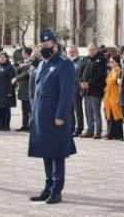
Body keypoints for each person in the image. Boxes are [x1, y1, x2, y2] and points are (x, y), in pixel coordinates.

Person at [28, 29, 77, 205]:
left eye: (46, 45)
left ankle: (57, 190)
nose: (43, 48)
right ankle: (48, 186)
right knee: (45, 152)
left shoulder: (64, 64)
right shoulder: (42, 64)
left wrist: (61, 115)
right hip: (41, 115)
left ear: (55, 46)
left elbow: (66, 93)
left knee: (57, 153)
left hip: (55, 116)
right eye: (41, 46)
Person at [79, 43, 107, 139]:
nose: (91, 51)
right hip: (85, 91)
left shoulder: (101, 60)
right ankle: (90, 130)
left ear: (97, 49)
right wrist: (81, 82)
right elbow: (80, 72)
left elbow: (99, 75)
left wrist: (89, 83)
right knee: (88, 112)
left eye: (93, 49)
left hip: (96, 90)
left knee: (96, 112)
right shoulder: (85, 59)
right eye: (90, 50)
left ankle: (98, 132)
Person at [0, 52, 16, 131]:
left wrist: (10, 91)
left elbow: (12, 81)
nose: (1, 58)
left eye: (3, 57)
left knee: (5, 110)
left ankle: (6, 125)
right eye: (0, 57)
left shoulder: (10, 67)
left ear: (7, 58)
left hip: (6, 92)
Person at [103, 54, 124, 140]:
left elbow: (119, 86)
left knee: (117, 115)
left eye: (112, 62)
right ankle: (111, 133)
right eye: (109, 61)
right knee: (110, 115)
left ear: (117, 63)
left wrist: (119, 97)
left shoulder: (119, 71)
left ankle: (118, 134)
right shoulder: (111, 71)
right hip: (108, 97)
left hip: (115, 96)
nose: (110, 63)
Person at [14, 47, 35, 132]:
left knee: (30, 109)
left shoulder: (32, 62)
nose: (22, 54)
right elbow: (17, 72)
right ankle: (24, 125)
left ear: (26, 53)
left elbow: (28, 74)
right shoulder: (22, 62)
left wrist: (17, 78)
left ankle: (31, 126)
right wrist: (18, 68)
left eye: (23, 52)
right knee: (24, 110)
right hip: (22, 88)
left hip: (28, 88)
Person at [67, 45, 84, 137]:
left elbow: (81, 76)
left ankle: (79, 129)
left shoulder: (80, 61)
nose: (71, 54)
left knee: (78, 110)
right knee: (69, 111)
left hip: (76, 89)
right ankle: (71, 128)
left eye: (73, 52)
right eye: (70, 52)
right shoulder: (66, 62)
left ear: (77, 52)